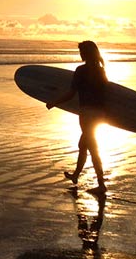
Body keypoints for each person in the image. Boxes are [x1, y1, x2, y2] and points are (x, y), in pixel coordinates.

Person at [46, 40, 108, 193]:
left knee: (92, 148)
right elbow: (107, 93)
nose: (80, 54)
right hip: (99, 114)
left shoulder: (80, 71)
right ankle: (76, 175)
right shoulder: (101, 70)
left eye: (81, 51)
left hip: (87, 114)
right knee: (84, 145)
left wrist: (55, 102)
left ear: (85, 53)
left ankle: (101, 185)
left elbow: (71, 93)